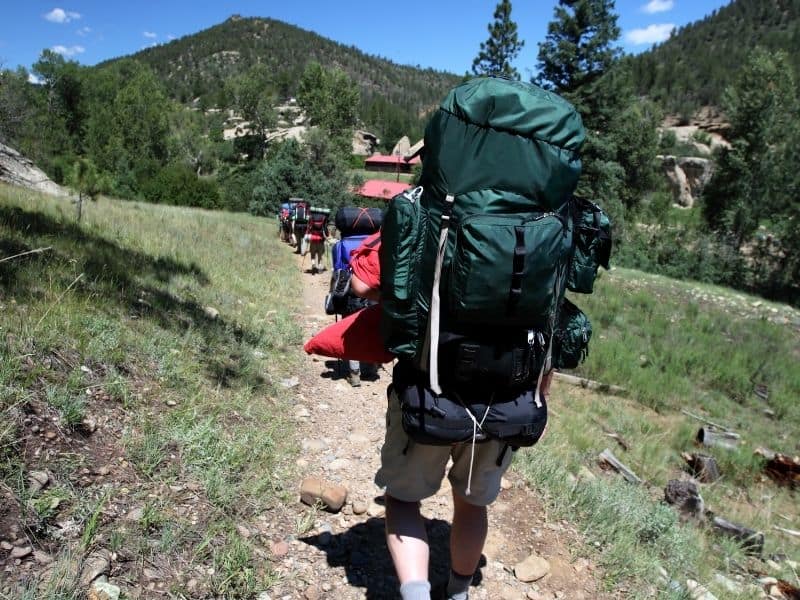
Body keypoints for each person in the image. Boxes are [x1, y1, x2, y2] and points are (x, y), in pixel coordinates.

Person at [348, 233, 553, 600]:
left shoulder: (429, 203)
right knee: (472, 504)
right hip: (506, 400)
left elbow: (362, 284)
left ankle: (416, 594)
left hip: (428, 394)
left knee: (404, 500)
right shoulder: (543, 220)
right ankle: (458, 592)